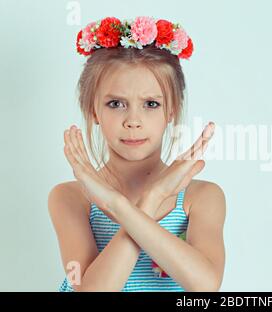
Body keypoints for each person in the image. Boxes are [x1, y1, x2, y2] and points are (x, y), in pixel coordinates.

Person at [48, 16, 226, 292]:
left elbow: (205, 286)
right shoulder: (70, 198)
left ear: (171, 111)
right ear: (94, 110)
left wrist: (123, 204)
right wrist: (147, 204)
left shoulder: (201, 198)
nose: (133, 120)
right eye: (116, 103)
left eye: (151, 104)